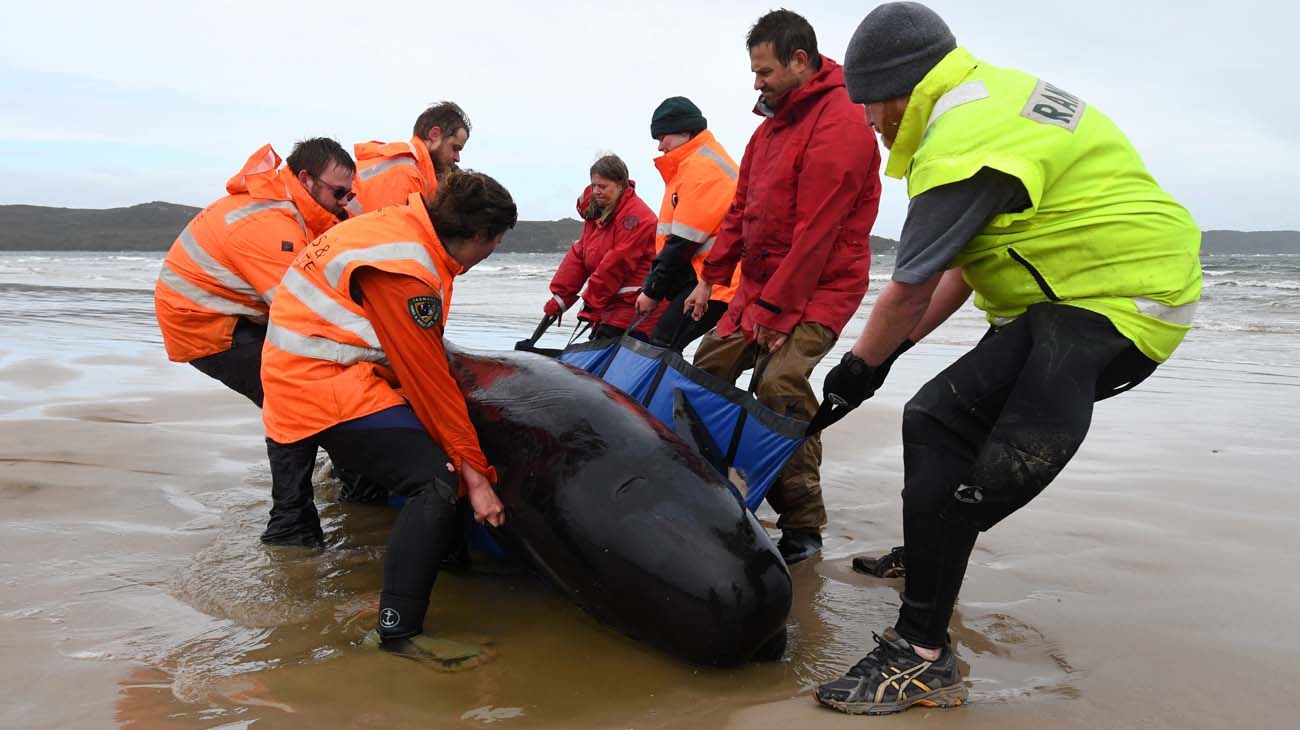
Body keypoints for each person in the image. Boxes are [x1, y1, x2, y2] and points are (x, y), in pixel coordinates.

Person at [812, 2, 1203, 715]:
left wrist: (858, 368)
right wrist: (893, 355)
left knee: (938, 423)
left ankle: (922, 655)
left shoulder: (961, 140)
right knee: (941, 418)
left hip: (1116, 297)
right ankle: (932, 554)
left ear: (901, 90)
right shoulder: (989, 100)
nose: (870, 122)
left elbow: (910, 286)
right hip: (1073, 293)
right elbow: (964, 268)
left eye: (871, 106)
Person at [258, 171, 517, 658]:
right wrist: (477, 479)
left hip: (320, 369)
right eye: (496, 243)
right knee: (437, 480)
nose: (491, 254)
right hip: (319, 382)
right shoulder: (405, 269)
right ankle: (398, 633)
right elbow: (429, 383)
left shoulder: (402, 227)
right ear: (481, 236)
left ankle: (440, 559)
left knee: (440, 456)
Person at [681, 9, 882, 563]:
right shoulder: (767, 131)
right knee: (705, 371)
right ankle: (704, 489)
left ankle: (802, 526)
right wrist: (713, 279)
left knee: (780, 387)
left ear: (799, 60)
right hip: (759, 290)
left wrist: (776, 312)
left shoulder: (842, 120)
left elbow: (817, 231)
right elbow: (740, 212)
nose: (757, 83)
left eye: (764, 71)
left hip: (822, 289)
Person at [154, 138, 355, 406]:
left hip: (229, 312)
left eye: (349, 195)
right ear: (306, 179)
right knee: (295, 397)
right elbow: (304, 312)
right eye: (339, 193)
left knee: (311, 387)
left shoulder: (290, 207)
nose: (344, 203)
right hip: (205, 326)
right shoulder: (272, 225)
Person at [632, 97, 742, 351]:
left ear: (684, 131)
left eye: (662, 137)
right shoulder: (694, 165)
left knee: (663, 341)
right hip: (709, 277)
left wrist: (652, 291)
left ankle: (666, 392)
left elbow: (683, 243)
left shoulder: (702, 169)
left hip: (720, 282)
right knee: (666, 342)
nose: (660, 147)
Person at [544, 154, 659, 340]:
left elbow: (616, 263)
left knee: (605, 354)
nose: (597, 191)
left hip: (633, 306)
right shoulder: (597, 212)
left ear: (621, 185)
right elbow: (581, 255)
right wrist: (561, 297)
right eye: (594, 185)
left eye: (603, 186)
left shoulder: (638, 218)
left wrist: (590, 305)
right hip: (610, 302)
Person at [351, 101, 470, 213]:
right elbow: (394, 232)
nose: (457, 158)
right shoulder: (406, 173)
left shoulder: (403, 165)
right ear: (435, 135)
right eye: (455, 148)